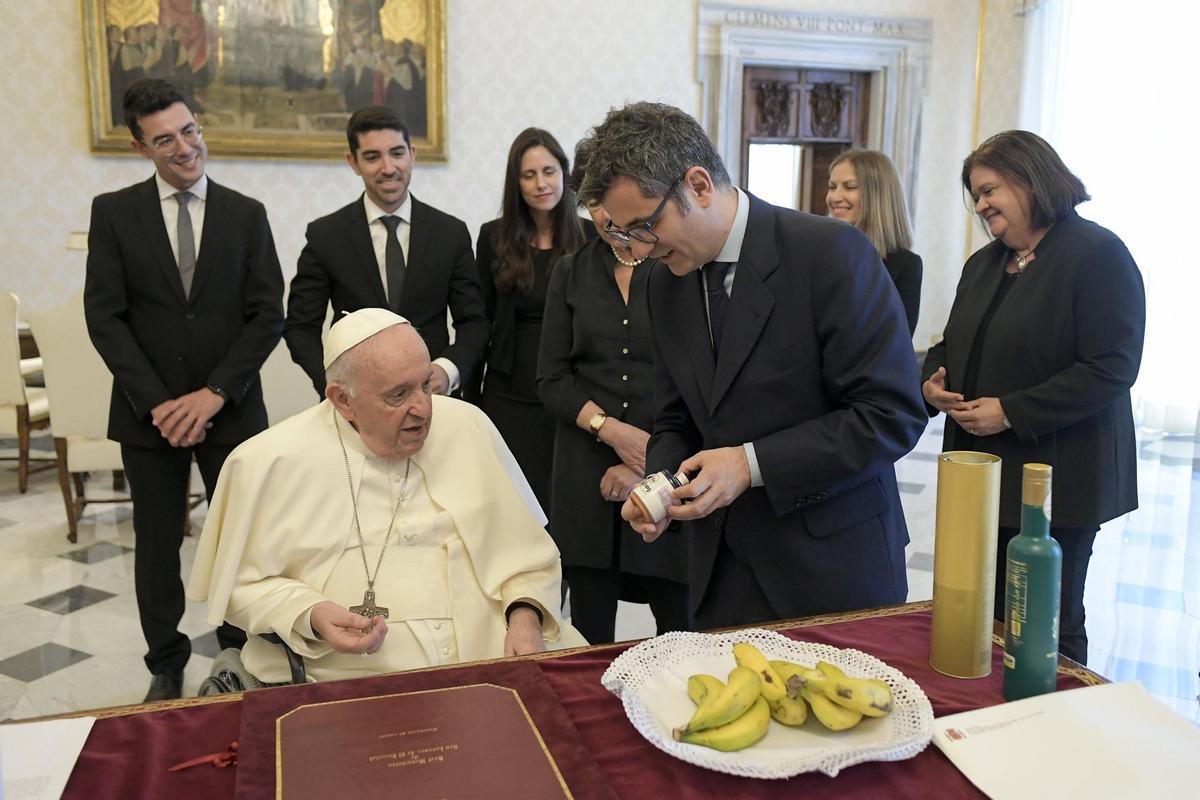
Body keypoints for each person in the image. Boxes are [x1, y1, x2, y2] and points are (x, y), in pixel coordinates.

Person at [577, 102, 925, 630]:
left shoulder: (831, 254)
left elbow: (892, 414)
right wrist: (662, 488)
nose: (639, 250)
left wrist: (750, 463)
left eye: (644, 227)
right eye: (622, 235)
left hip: (832, 569)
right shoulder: (660, 283)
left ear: (697, 185)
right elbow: (674, 418)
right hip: (721, 572)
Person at [187, 310, 586, 683]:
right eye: (398, 395)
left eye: (426, 384)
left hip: (493, 654)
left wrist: (525, 618)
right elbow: (242, 586)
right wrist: (309, 614)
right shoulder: (268, 461)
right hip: (350, 674)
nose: (423, 409)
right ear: (343, 399)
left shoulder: (467, 426)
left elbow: (528, 558)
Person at [85, 78, 284, 701]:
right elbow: (105, 316)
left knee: (240, 536)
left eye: (189, 130)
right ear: (141, 147)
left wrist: (214, 394)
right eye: (164, 139)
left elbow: (267, 314)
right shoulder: (113, 213)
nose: (183, 147)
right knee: (157, 540)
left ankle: (235, 648)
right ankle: (165, 663)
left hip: (230, 410)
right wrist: (160, 402)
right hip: (149, 417)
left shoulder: (247, 214)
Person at [921, 130, 1145, 664]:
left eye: (990, 189)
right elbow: (950, 342)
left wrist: (1011, 411)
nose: (981, 205)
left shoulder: (1097, 254)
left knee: (1045, 618)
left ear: (1030, 179)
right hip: (982, 476)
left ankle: (1058, 720)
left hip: (1058, 477)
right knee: (990, 617)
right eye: (976, 195)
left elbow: (1113, 366)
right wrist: (932, 381)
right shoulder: (985, 263)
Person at [536, 147, 689, 644]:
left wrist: (645, 458)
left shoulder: (678, 268)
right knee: (588, 632)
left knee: (677, 626)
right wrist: (612, 431)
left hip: (668, 462)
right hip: (585, 469)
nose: (603, 214)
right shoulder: (570, 272)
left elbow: (694, 380)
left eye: (609, 198)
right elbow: (552, 378)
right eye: (592, 200)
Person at [284, 105, 488, 399]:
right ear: (353, 162)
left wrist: (446, 370)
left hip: (433, 399)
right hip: (354, 406)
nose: (388, 167)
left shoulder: (450, 233)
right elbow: (300, 327)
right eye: (372, 157)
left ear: (412, 154)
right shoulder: (325, 236)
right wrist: (337, 384)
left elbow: (474, 322)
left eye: (397, 153)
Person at [467, 128, 587, 512]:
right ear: (515, 182)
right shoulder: (493, 237)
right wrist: (471, 401)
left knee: (562, 498)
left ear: (564, 174)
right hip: (508, 391)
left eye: (549, 171)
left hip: (570, 390)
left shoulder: (589, 237)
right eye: (529, 175)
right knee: (511, 501)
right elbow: (479, 319)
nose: (541, 184)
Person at [826, 149, 923, 337]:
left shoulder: (905, 265)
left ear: (877, 195)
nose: (835, 197)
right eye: (832, 187)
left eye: (849, 187)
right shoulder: (818, 254)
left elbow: (896, 341)